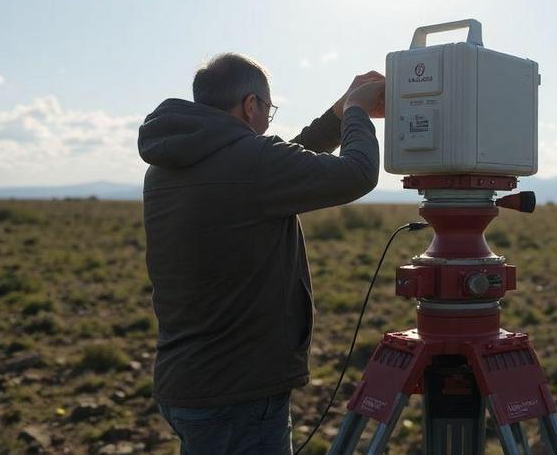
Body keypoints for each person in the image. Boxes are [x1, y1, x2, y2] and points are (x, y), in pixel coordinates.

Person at [137, 52, 385, 454]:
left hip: (187, 382)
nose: (267, 119)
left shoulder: (167, 165)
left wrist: (339, 113)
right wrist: (357, 111)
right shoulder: (251, 164)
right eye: (268, 110)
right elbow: (356, 173)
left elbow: (281, 162)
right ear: (251, 105)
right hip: (238, 393)